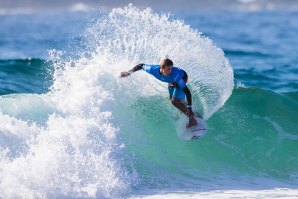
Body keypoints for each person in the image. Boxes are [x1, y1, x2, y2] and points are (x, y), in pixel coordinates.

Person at [120, 58, 198, 128]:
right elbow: (141, 66)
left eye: (171, 68)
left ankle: (192, 119)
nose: (170, 71)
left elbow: (187, 92)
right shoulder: (153, 69)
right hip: (171, 81)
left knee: (174, 101)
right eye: (168, 69)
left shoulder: (175, 75)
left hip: (182, 77)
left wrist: (189, 108)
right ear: (162, 68)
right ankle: (185, 107)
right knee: (172, 98)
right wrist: (128, 72)